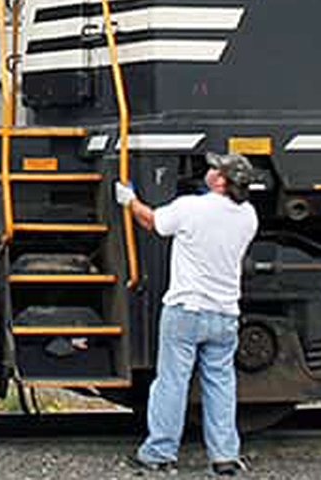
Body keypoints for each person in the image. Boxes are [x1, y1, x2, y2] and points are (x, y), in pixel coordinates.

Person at [115, 152, 259, 476]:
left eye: (214, 169)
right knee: (221, 383)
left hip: (186, 310)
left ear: (221, 181)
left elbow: (152, 222)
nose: (209, 171)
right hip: (225, 314)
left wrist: (130, 200)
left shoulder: (192, 207)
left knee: (171, 382)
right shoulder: (248, 216)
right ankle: (224, 457)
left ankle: (159, 453)